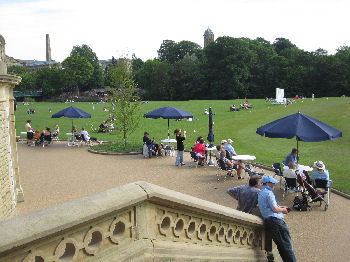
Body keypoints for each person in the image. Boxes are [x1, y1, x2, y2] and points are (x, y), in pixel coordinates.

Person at [258, 176, 296, 262]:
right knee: (287, 247)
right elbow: (274, 209)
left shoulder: (261, 192)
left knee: (282, 247)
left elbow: (269, 206)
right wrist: (283, 210)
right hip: (276, 222)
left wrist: (281, 207)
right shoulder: (269, 193)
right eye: (273, 183)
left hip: (270, 222)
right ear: (268, 183)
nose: (274, 185)